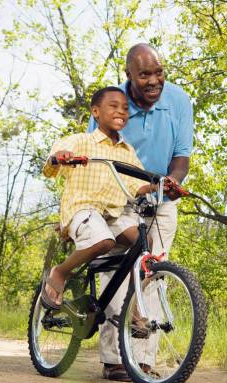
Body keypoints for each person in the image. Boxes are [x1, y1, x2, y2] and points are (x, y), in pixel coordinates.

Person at [87, 43, 193, 381]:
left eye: (158, 72)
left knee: (152, 273)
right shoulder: (114, 101)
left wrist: (172, 182)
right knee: (116, 275)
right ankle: (114, 360)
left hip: (161, 196)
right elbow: (97, 150)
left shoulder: (178, 100)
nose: (153, 81)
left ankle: (142, 361)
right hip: (119, 195)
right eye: (144, 74)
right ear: (128, 76)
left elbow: (181, 154)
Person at [41, 86, 155, 313]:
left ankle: (132, 308)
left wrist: (155, 185)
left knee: (145, 244)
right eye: (113, 106)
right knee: (104, 242)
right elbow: (54, 160)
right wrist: (60, 157)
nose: (121, 112)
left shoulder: (127, 151)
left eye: (124, 108)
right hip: (83, 209)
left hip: (113, 214)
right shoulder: (82, 141)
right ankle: (60, 272)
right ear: (96, 111)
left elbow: (134, 184)